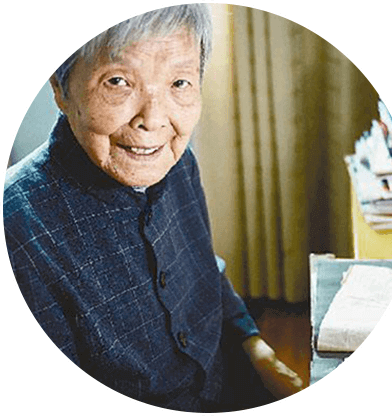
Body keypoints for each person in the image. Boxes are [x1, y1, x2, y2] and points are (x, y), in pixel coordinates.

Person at [3, 4, 302, 412]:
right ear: (61, 87)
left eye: (180, 82)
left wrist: (257, 350)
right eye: (118, 81)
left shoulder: (175, 162)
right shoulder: (17, 227)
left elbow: (205, 269)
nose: (154, 120)